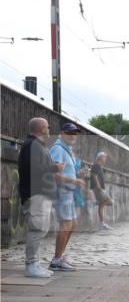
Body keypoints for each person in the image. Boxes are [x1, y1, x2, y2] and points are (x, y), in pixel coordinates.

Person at [18, 117, 61, 278]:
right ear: (42, 128)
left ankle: (34, 263)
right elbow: (35, 168)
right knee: (37, 229)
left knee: (40, 228)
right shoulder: (32, 145)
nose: (49, 129)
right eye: (48, 127)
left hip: (40, 193)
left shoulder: (36, 145)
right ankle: (31, 265)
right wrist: (54, 167)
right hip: (36, 194)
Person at [48, 123, 87, 271]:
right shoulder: (58, 149)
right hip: (62, 191)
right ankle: (56, 260)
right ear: (62, 133)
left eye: (75, 133)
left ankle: (60, 256)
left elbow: (66, 171)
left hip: (68, 191)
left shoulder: (66, 149)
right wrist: (74, 181)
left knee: (72, 224)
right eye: (69, 132)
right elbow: (55, 174)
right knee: (66, 224)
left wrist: (78, 175)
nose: (73, 136)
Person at [90, 151, 114, 230]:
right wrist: (98, 186)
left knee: (102, 205)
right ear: (100, 157)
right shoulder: (96, 165)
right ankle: (95, 202)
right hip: (98, 189)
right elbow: (94, 176)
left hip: (100, 188)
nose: (105, 159)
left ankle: (102, 224)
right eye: (104, 157)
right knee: (110, 201)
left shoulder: (99, 166)